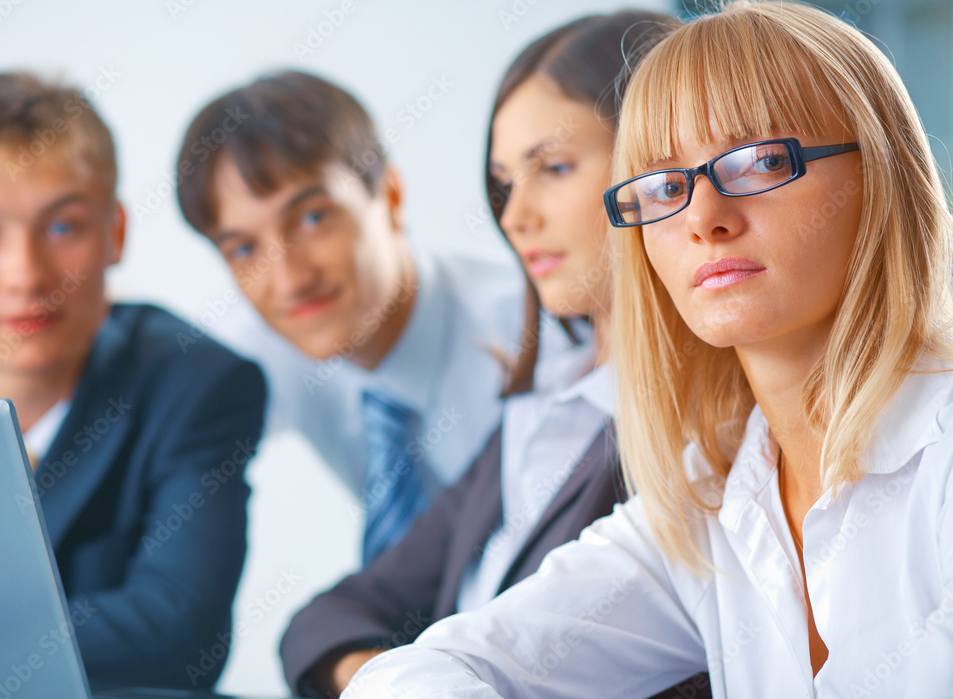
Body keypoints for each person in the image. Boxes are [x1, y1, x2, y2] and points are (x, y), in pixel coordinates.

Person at [341, 1, 953, 696]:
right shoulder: (708, 495)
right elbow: (433, 669)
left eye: (758, 161)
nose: (703, 217)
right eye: (664, 186)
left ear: (880, 176)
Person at [280, 11, 708, 699]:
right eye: (506, 182)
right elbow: (327, 616)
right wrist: (395, 679)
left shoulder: (701, 438)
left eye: (556, 169)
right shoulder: (544, 404)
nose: (514, 216)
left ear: (659, 173)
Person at [0, 72, 266, 690]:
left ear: (116, 233)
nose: (25, 274)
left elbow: (176, 630)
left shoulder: (196, 384)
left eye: (64, 226)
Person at [175, 72, 538, 564]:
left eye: (312, 218)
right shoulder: (258, 352)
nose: (289, 279)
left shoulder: (539, 325)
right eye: (243, 248)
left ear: (389, 196)